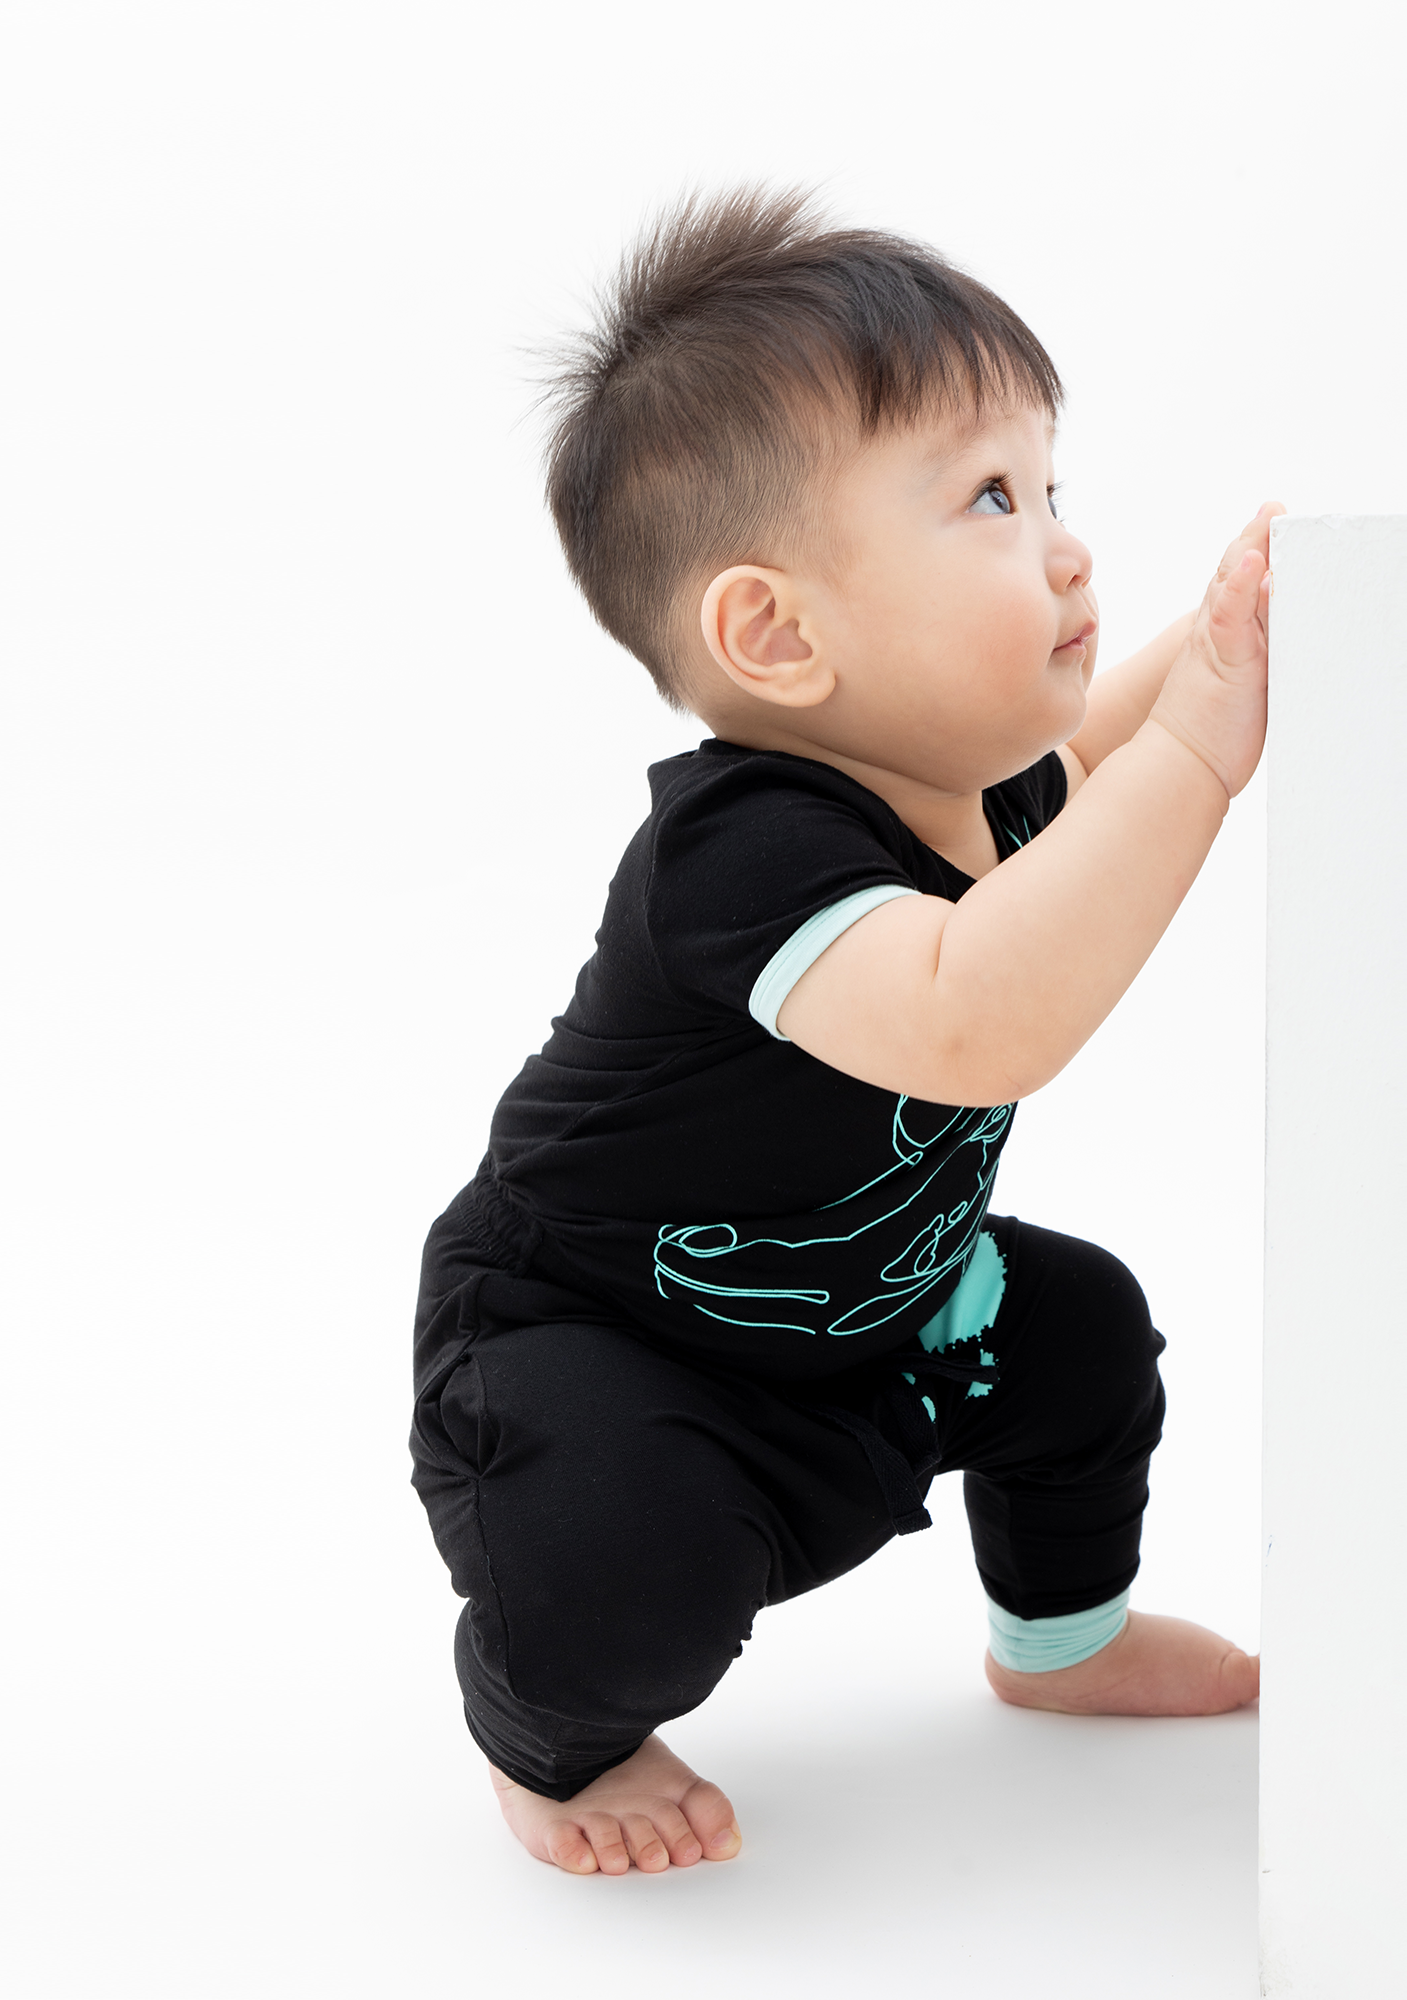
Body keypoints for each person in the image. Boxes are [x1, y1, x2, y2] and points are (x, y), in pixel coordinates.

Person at [410, 186, 1276, 1876]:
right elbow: (975, 1016)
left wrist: (1248, 617)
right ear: (779, 634)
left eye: (1051, 488)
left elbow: (1099, 760)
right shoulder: (738, 856)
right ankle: (546, 1739)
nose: (1068, 548)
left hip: (874, 1316)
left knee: (1081, 1331)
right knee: (622, 1566)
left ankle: (1063, 1639)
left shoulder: (978, 783)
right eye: (990, 500)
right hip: (604, 1344)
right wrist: (1205, 749)